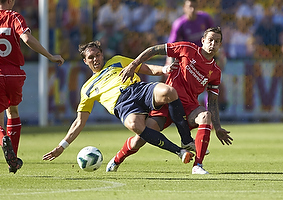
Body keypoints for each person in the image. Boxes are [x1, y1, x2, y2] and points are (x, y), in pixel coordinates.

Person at [42, 41, 195, 165]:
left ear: (102, 55)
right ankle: (179, 152)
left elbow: (147, 68)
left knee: (169, 91)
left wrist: (165, 68)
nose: (95, 59)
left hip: (138, 89)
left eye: (98, 55)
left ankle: (186, 140)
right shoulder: (87, 88)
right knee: (137, 133)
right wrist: (62, 146)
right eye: (91, 57)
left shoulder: (116, 61)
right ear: (85, 61)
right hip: (123, 106)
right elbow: (79, 122)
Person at [107, 27, 233, 174]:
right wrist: (133, 64)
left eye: (217, 41)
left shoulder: (215, 72)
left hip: (189, 107)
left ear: (220, 45)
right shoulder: (187, 49)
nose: (212, 44)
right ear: (203, 41)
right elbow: (155, 49)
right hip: (166, 103)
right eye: (210, 40)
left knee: (205, 116)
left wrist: (217, 127)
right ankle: (117, 159)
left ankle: (197, 165)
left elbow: (212, 102)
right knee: (141, 138)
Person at [0, 0, 64, 173]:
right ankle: (12, 160)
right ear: (10, 1)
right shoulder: (15, 17)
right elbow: (27, 38)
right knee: (13, 112)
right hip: (14, 74)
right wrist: (50, 56)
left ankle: (3, 139)